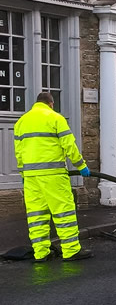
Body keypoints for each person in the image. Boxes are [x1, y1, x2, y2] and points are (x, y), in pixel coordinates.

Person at [13, 92, 93, 262]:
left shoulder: (21, 122)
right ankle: (71, 250)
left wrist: (22, 173)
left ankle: (41, 253)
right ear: (51, 104)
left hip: (30, 178)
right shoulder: (55, 118)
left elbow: (19, 153)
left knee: (36, 215)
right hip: (53, 175)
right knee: (63, 212)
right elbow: (69, 145)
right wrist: (81, 166)